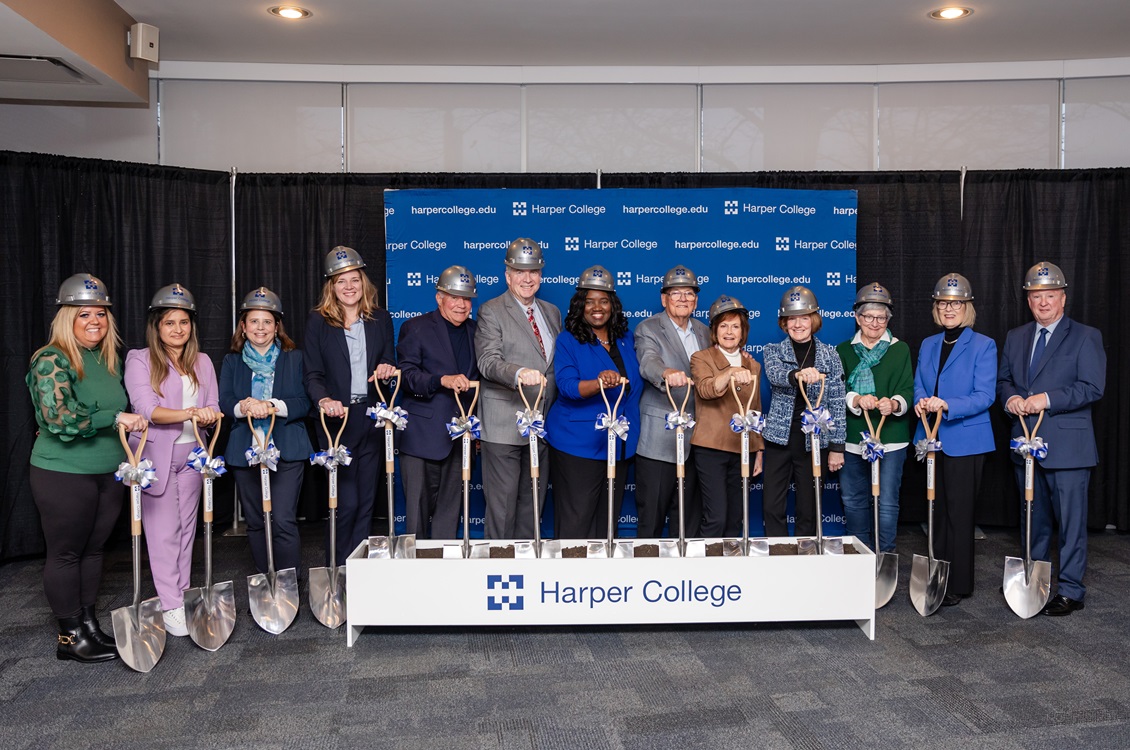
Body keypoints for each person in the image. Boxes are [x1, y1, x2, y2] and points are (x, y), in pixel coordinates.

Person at [27, 274, 147, 662]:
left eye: (100, 313)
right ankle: (69, 638)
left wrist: (119, 417)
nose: (94, 320)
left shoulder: (107, 359)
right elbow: (58, 417)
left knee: (95, 550)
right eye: (84, 314)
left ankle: (89, 626)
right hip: (64, 472)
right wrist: (115, 418)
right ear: (67, 318)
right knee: (66, 553)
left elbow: (105, 410)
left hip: (108, 469)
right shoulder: (51, 359)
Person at [998, 261, 1105, 616]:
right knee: (1033, 519)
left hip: (1068, 447)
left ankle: (1071, 589)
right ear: (1028, 299)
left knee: (1071, 523)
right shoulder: (1016, 336)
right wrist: (1011, 398)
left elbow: (1092, 387)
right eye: (1036, 297)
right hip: (1025, 443)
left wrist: (1047, 399)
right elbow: (1005, 381)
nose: (1043, 303)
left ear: (1063, 298)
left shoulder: (1086, 336)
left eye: (1050, 296)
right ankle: (1035, 582)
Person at [124, 283, 221, 637]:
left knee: (185, 531)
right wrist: (192, 412)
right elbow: (146, 409)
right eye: (170, 323)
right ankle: (169, 604)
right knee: (163, 533)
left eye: (184, 322)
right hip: (155, 457)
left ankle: (180, 593)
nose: (178, 329)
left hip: (194, 456)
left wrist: (208, 414)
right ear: (156, 326)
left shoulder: (203, 361)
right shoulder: (140, 358)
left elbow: (213, 404)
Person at [304, 246, 397, 564]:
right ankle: (338, 566)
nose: (348, 287)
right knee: (345, 502)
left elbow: (388, 360)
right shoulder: (319, 321)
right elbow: (312, 374)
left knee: (366, 501)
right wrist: (324, 399)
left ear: (363, 282)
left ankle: (358, 570)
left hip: (370, 418)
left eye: (354, 279)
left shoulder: (380, 318)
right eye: (341, 281)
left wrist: (386, 367)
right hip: (336, 421)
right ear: (331, 286)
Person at [913, 273, 996, 607]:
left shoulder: (983, 345)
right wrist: (921, 401)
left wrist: (947, 405)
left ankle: (958, 583)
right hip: (930, 438)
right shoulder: (929, 344)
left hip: (965, 440)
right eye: (944, 303)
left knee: (959, 513)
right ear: (937, 307)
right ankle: (937, 572)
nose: (950, 309)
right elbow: (920, 383)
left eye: (956, 303)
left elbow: (984, 395)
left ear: (967, 307)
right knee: (934, 509)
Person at [219, 287, 312, 577]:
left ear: (277, 327)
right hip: (244, 450)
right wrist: (244, 406)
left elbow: (304, 402)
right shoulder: (231, 362)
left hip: (287, 449)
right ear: (243, 327)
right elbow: (224, 402)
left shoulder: (295, 359)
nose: (261, 328)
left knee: (283, 519)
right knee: (257, 521)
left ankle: (289, 583)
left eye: (267, 322)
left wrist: (271, 405)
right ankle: (264, 579)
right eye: (254, 321)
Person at [546, 266, 643, 539]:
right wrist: (599, 382)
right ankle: (569, 580)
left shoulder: (626, 339)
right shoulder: (568, 340)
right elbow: (566, 387)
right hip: (577, 443)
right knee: (576, 522)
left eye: (603, 300)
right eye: (589, 301)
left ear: (613, 305)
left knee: (607, 522)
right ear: (580, 306)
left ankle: (600, 580)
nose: (597, 307)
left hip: (619, 443)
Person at [475, 239, 562, 539]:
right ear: (507, 275)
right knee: (502, 508)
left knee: (533, 505)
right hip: (504, 424)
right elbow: (487, 361)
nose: (528, 278)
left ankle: (527, 568)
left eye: (534, 271)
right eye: (520, 271)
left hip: (541, 424)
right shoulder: (492, 310)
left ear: (541, 275)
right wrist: (518, 373)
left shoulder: (551, 312)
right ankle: (498, 573)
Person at [397, 266, 480, 539]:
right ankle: (413, 577)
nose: (461, 304)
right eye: (453, 297)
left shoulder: (476, 331)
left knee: (449, 515)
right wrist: (440, 380)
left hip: (460, 439)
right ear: (439, 297)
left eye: (466, 299)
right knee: (417, 519)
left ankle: (443, 576)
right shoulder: (416, 328)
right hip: (421, 436)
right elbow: (406, 377)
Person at [762, 286, 846, 537]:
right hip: (779, 440)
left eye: (804, 317)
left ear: (814, 320)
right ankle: (777, 554)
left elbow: (838, 401)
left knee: (809, 508)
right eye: (792, 319)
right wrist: (798, 374)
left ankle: (805, 558)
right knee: (771, 505)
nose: (798, 324)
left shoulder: (831, 355)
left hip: (814, 443)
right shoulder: (772, 351)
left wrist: (837, 447)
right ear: (784, 323)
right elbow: (776, 376)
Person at [634, 265, 711, 538]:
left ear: (696, 300)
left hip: (699, 440)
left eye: (688, 293)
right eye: (675, 293)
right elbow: (648, 361)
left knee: (689, 521)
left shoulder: (705, 331)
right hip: (659, 440)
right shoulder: (648, 328)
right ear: (663, 298)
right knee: (651, 519)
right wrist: (666, 373)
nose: (682, 299)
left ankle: (686, 578)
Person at [835, 283, 914, 553]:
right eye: (868, 316)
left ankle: (884, 555)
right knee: (854, 499)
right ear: (857, 317)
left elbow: (907, 389)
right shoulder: (843, 350)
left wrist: (894, 403)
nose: (875, 322)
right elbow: (836, 390)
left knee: (887, 500)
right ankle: (859, 554)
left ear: (888, 320)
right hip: (853, 436)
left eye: (881, 317)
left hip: (891, 438)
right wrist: (856, 399)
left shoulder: (899, 349)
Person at [689, 295, 765, 537]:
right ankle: (704, 571)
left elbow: (756, 409)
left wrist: (759, 450)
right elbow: (706, 389)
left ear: (743, 332)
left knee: (736, 517)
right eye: (723, 325)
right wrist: (731, 371)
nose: (729, 332)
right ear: (714, 330)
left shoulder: (753, 365)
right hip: (711, 448)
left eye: (735, 326)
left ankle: (731, 572)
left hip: (743, 449)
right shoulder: (701, 358)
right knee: (716, 516)